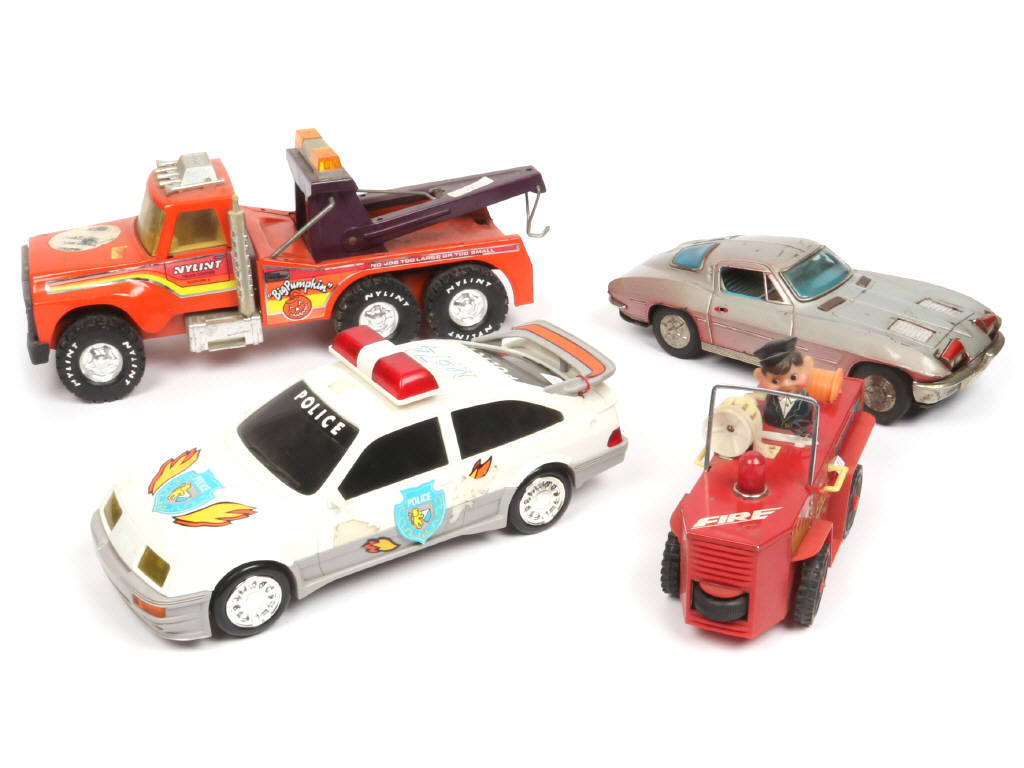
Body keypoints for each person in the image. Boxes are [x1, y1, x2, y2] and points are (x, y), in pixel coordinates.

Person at [752, 337, 814, 437]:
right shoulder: (770, 402)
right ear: (760, 377)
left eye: (793, 377)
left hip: (800, 433)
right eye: (775, 381)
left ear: (807, 367)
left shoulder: (807, 403)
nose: (786, 384)